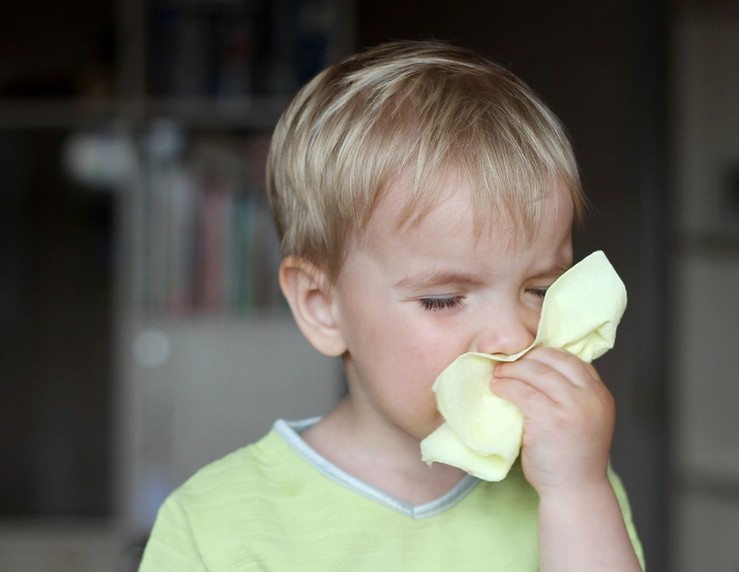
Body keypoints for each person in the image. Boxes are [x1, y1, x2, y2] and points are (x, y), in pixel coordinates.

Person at [139, 40, 645, 571]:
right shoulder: (214, 524)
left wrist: (577, 491)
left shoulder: (568, 483)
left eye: (540, 290)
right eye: (443, 299)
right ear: (322, 306)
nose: (514, 337)